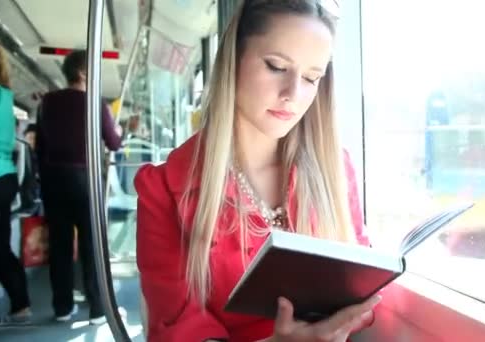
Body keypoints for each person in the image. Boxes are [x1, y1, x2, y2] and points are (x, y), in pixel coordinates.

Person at [135, 1, 383, 341]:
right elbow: (177, 330)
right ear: (234, 59)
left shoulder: (336, 171)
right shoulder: (164, 189)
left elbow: (364, 293)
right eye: (276, 66)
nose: (292, 95)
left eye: (312, 78)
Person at [36, 49, 122, 325]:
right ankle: (97, 307)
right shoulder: (95, 104)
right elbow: (113, 143)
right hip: (85, 180)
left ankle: (62, 307)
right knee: (90, 243)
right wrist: (119, 133)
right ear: (83, 73)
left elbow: (41, 145)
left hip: (53, 181)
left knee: (60, 245)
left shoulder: (47, 102)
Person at [0, 42, 32, 325]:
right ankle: (20, 303)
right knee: (1, 244)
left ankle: (18, 302)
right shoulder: (5, 97)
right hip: (4, 179)